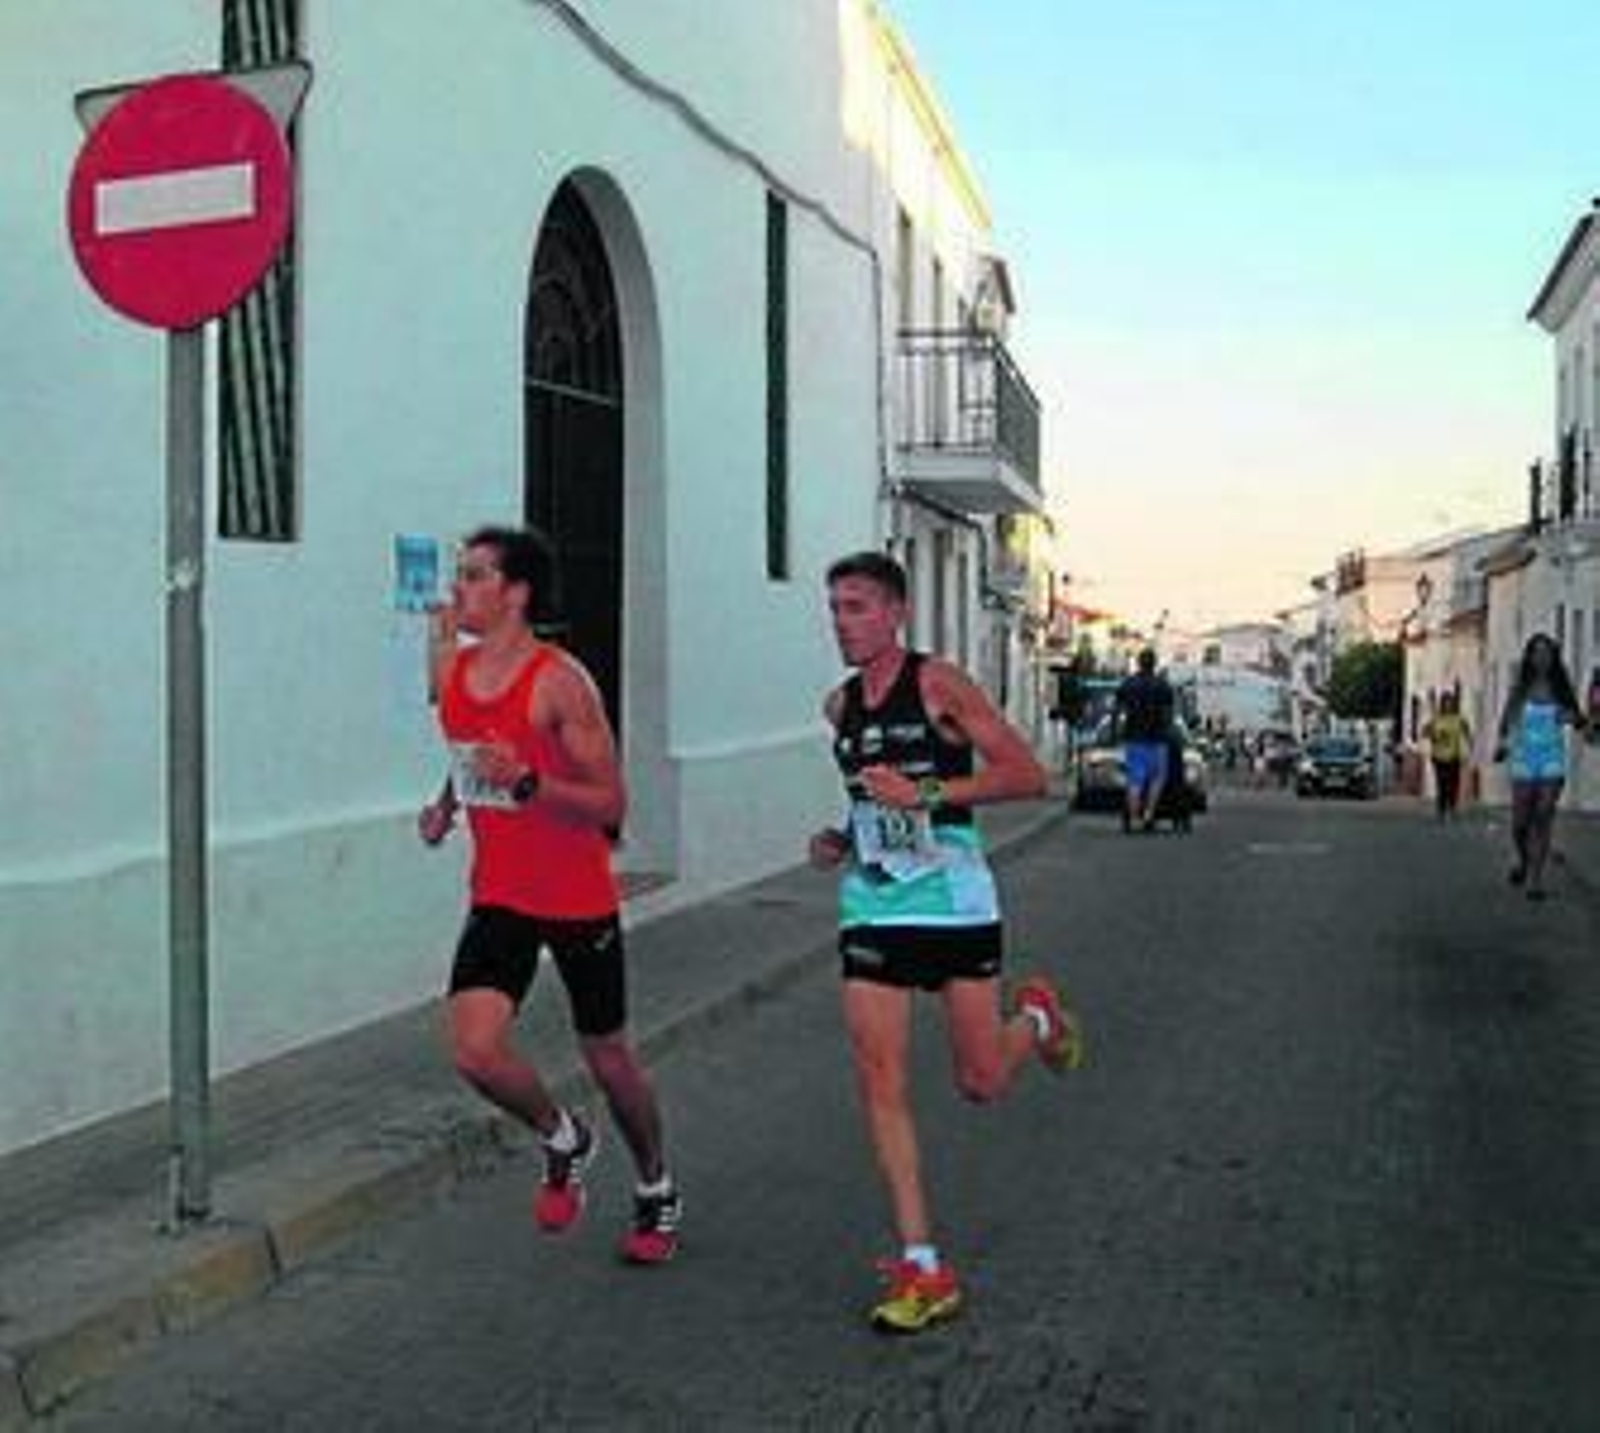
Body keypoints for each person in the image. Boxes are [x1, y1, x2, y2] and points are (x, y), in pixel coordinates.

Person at [808, 550, 1084, 1335]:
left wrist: (928, 791)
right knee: (879, 1080)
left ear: (895, 612)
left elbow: (1026, 775)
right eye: (834, 607)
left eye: (856, 606)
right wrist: (841, 837)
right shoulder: (838, 708)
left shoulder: (940, 686)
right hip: (873, 905)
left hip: (956, 903)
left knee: (981, 1080)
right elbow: (872, 808)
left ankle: (1039, 1021)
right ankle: (923, 1265)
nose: (841, 621)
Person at [418, 525, 681, 1261]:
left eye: (473, 575)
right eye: (459, 573)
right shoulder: (453, 668)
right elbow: (471, 749)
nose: (458, 589)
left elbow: (611, 802)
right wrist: (446, 803)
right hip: (500, 890)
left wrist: (529, 783)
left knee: (609, 1059)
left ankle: (656, 1186)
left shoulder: (561, 681)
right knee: (474, 1052)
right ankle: (564, 1135)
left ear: (516, 592)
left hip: (575, 896)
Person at [1492, 632, 1590, 901]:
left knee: (1544, 814)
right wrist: (1501, 744)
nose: (1541, 658)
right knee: (1520, 823)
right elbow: (1507, 720)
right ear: (1530, 657)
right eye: (1536, 652)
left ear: (1553, 657)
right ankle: (1524, 861)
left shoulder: (1561, 689)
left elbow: (1578, 720)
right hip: (1524, 757)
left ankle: (1535, 880)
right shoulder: (1520, 689)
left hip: (1551, 758)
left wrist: (1573, 718)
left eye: (1546, 653)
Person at [1114, 648, 1175, 831]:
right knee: (1157, 778)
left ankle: (1133, 818)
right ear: (1154, 664)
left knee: (1134, 780)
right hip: (1158, 739)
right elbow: (1169, 714)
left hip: (1134, 738)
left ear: (1139, 663)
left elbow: (1117, 710)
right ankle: (1149, 814)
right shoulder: (1163, 685)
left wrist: (1116, 731)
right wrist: (1168, 731)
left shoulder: (1128, 684)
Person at [1422, 691, 1473, 821]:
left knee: (1453, 784)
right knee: (1442, 784)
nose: (1448, 705)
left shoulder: (1458, 719)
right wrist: (1431, 734)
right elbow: (1425, 733)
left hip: (1454, 756)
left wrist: (1470, 745)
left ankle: (1452, 808)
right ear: (1442, 704)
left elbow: (1467, 732)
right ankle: (1441, 810)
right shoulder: (1437, 719)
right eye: (1446, 702)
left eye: (1450, 702)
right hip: (1438, 757)